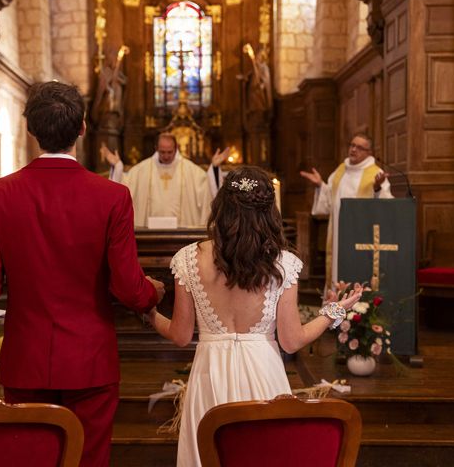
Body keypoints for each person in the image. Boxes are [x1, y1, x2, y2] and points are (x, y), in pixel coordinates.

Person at [0, 81, 165, 467]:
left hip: (26, 357)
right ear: (83, 127)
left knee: (31, 460)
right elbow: (127, 287)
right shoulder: (112, 196)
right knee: (88, 459)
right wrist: (152, 293)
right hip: (90, 359)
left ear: (31, 129)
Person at [147, 166, 363, 467]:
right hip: (264, 371)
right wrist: (335, 311)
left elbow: (180, 336)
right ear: (268, 211)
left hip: (210, 375)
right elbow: (291, 340)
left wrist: (149, 312)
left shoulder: (187, 258)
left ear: (220, 206)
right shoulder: (284, 264)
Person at [300, 132, 393, 287]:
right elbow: (330, 202)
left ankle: (358, 308)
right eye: (352, 145)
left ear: (369, 153)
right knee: (337, 272)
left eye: (360, 147)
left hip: (361, 237)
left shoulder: (376, 174)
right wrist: (320, 186)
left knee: (357, 273)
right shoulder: (341, 171)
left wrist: (377, 188)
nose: (354, 149)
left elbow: (386, 208)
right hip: (338, 236)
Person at [101, 134, 230, 228]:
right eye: (162, 152)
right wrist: (117, 167)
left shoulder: (189, 169)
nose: (166, 156)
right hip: (150, 232)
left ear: (176, 148)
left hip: (181, 232)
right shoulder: (143, 169)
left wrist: (214, 168)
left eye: (170, 152)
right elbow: (125, 186)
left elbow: (207, 185)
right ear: (156, 148)